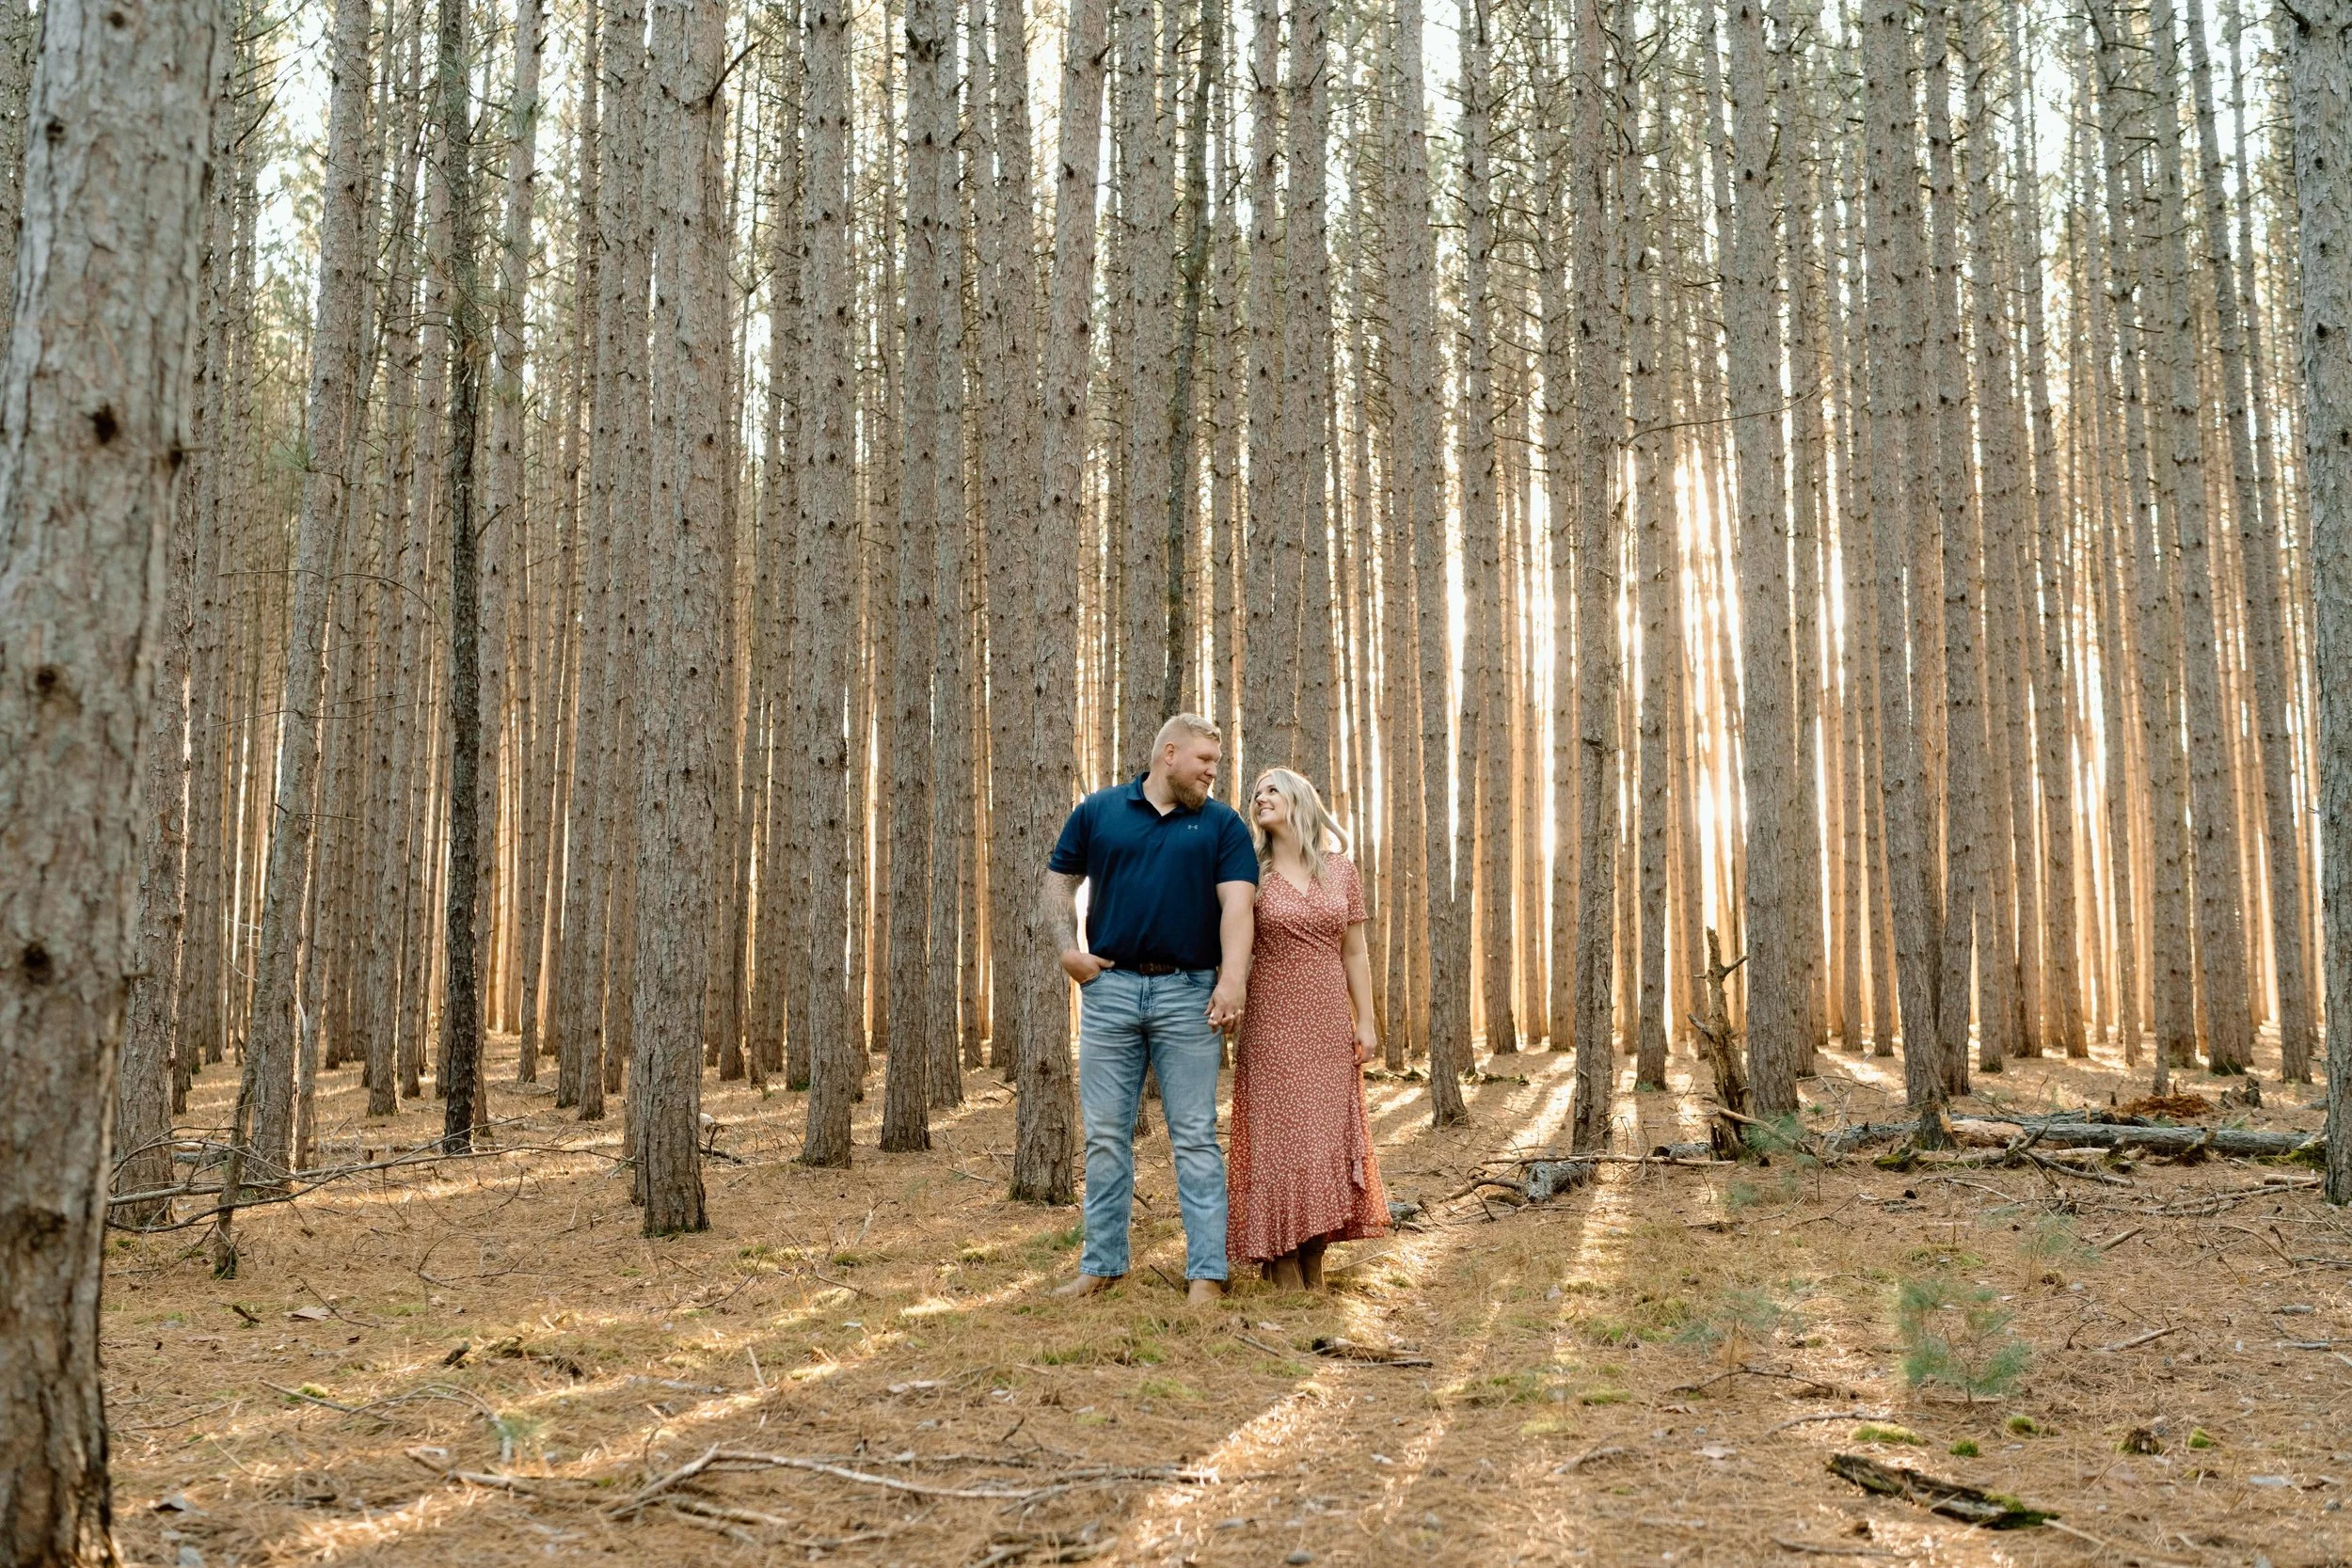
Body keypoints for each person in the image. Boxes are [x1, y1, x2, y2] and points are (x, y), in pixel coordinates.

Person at [1043, 714, 1258, 1306]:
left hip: (1189, 993)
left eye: (1215, 764)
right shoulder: (1101, 810)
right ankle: (1103, 1266)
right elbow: (1058, 882)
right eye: (1204, 762)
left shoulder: (1222, 825)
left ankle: (1207, 1275)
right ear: (1169, 754)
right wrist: (1068, 951)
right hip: (1109, 991)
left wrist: (1231, 980)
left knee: (1194, 1136)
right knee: (1107, 1137)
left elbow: (1238, 908)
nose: (1213, 774)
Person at [1227, 767, 1389, 1291]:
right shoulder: (1249, 872)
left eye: (1271, 790)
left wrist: (1365, 1020)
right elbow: (1233, 946)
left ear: (1299, 800)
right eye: (1255, 794)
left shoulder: (1341, 870)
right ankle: (1278, 1262)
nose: (1260, 798)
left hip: (1326, 1021)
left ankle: (1313, 1259)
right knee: (1277, 1144)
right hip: (1272, 1018)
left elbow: (1355, 950)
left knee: (1323, 1142)